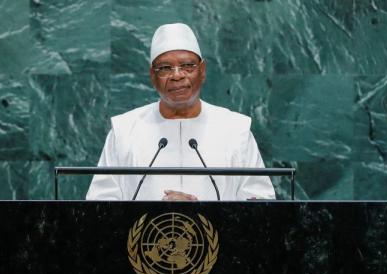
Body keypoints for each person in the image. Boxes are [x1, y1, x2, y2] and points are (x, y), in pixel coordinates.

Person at [86, 23, 275, 201]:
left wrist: (200, 214)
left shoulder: (235, 130)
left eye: (187, 66)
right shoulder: (124, 131)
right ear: (153, 76)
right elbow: (101, 205)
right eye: (165, 68)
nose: (177, 76)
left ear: (202, 70)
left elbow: (259, 204)